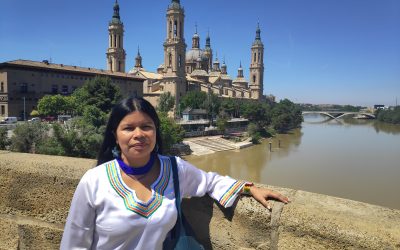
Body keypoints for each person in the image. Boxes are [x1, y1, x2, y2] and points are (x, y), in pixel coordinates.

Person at [60, 96, 289, 249]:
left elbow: (209, 181)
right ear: (115, 134)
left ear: (156, 131)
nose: (139, 134)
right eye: (128, 128)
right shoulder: (94, 181)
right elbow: (74, 243)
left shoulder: (173, 169)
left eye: (147, 127)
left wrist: (249, 188)